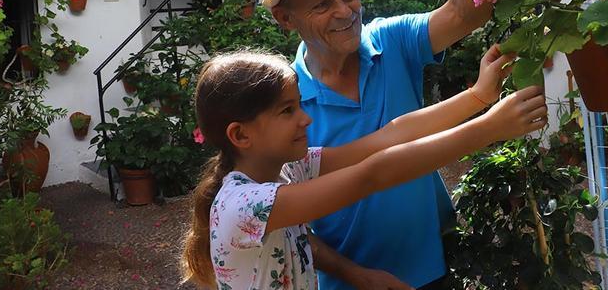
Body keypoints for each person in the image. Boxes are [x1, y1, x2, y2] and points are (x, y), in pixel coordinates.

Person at [263, 0, 491, 289]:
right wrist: (359, 276)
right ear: (285, 19)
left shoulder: (392, 40)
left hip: (431, 271)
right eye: (322, 5)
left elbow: (467, 12)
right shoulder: (286, 103)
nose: (347, 12)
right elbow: (287, 215)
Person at [181, 49, 547, 289]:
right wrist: (488, 129)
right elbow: (373, 173)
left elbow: (389, 136)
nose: (305, 119)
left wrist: (479, 97)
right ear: (240, 134)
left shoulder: (289, 172)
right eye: (287, 110)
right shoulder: (244, 204)